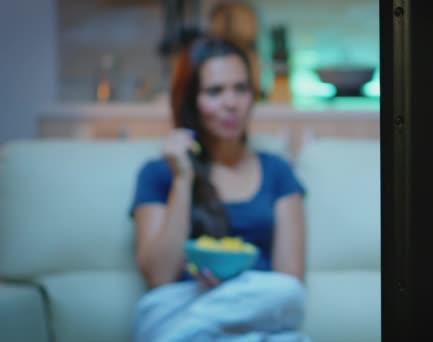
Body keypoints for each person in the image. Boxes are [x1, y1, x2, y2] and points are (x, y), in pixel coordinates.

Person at [129, 35, 308, 341]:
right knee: (151, 308)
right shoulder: (159, 173)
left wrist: (235, 287)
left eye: (241, 88)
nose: (231, 103)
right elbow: (159, 276)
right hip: (187, 297)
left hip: (255, 306)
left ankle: (181, 333)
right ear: (191, 101)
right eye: (215, 91)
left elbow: (288, 279)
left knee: (288, 294)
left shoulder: (277, 172)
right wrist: (183, 179)